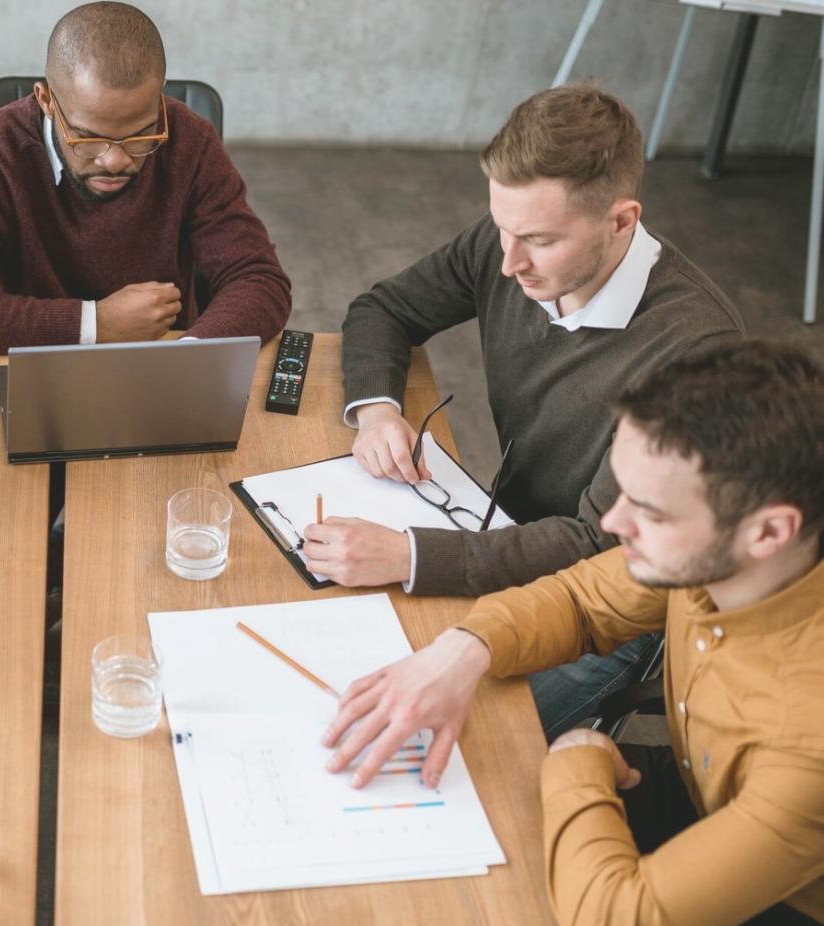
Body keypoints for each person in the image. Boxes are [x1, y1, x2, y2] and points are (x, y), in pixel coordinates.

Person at [321, 340, 824, 926]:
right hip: (704, 786)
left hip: (790, 922)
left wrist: (576, 754)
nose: (613, 523)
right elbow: (581, 596)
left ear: (766, 532)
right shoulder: (730, 558)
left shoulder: (806, 739)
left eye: (648, 511)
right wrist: (460, 650)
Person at [317, 83, 743, 739]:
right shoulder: (510, 242)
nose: (509, 261)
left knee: (434, 742)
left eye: (539, 240)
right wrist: (376, 410)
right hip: (502, 537)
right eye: (501, 227)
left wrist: (407, 555)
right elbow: (384, 308)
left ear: (621, 221)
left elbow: (595, 545)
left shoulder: (696, 356)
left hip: (603, 604)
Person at [0, 1, 291, 354]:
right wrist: (94, 324)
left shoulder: (191, 140)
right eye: (87, 138)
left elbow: (259, 279)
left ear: (159, 96)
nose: (115, 160)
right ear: (46, 100)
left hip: (160, 361)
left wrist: (185, 359)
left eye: (140, 134)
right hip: (28, 364)